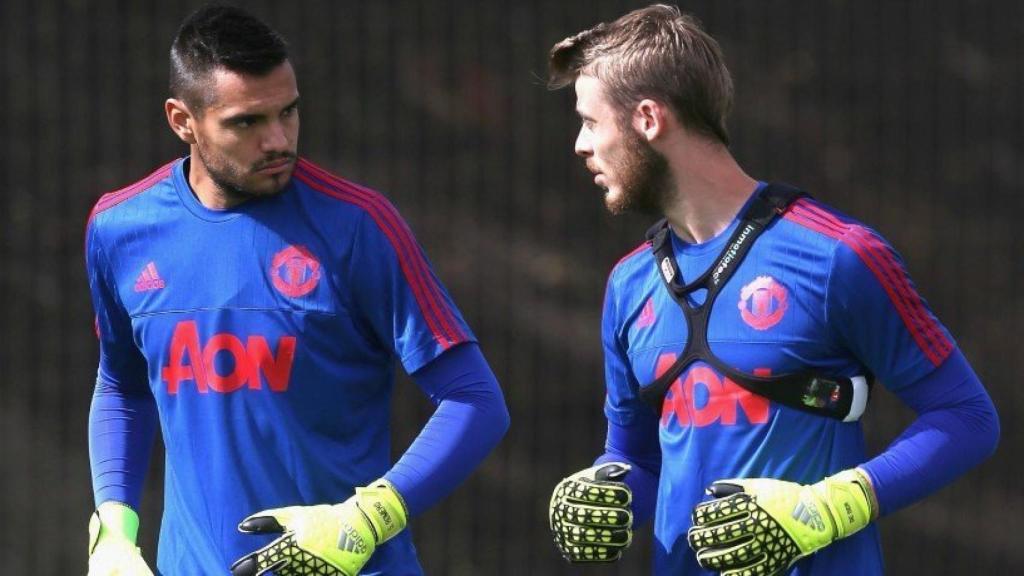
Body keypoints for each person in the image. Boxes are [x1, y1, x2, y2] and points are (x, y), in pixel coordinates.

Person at [545, 5, 999, 575]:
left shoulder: (839, 255)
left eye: (590, 121)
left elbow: (966, 416)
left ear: (648, 119)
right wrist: (605, 492)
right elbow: (634, 456)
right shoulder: (627, 284)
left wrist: (825, 509)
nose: (580, 145)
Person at [84, 4, 509, 575]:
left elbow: (476, 401)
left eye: (289, 112)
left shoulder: (358, 226)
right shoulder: (119, 229)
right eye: (247, 122)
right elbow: (122, 384)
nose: (278, 139)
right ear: (182, 121)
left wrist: (367, 518)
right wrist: (112, 529)